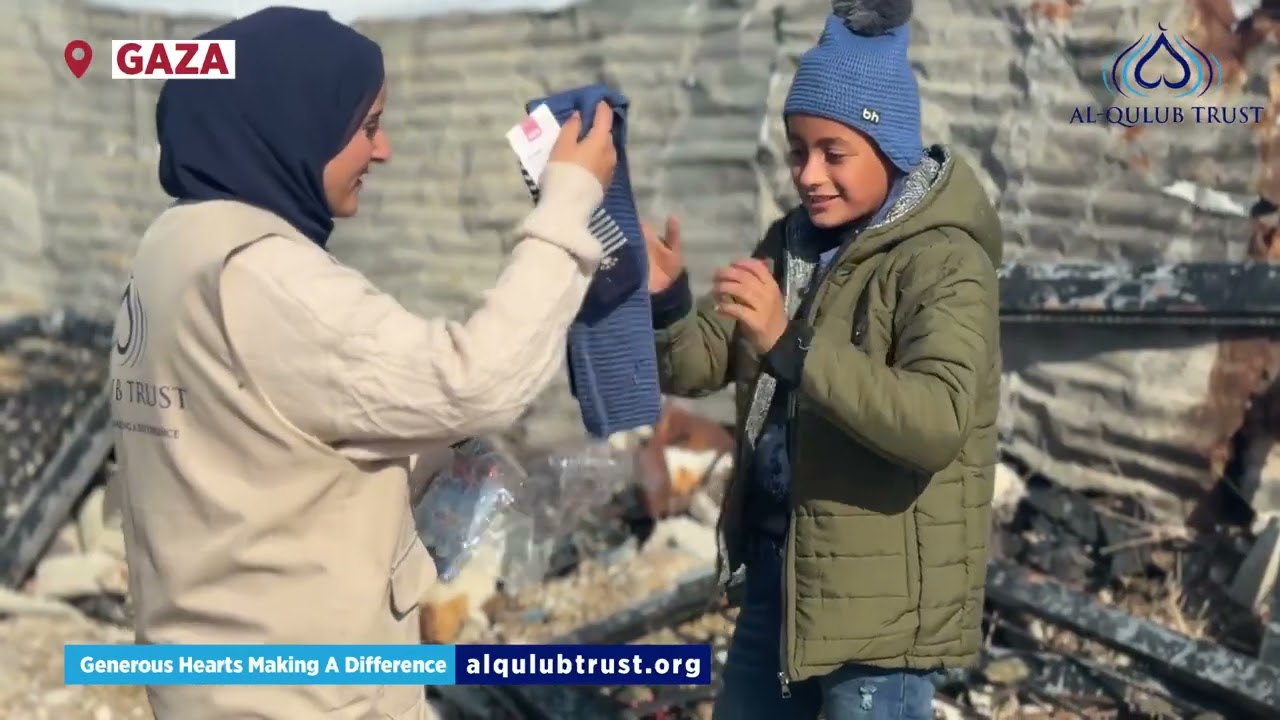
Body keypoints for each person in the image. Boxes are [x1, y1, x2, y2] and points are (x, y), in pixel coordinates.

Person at [107, 7, 615, 719]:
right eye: (367, 126)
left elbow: (262, 444)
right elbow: (476, 381)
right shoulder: (266, 278)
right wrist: (569, 204)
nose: (385, 152)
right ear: (295, 120)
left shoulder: (174, 249)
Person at [645, 1, 1002, 718]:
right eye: (797, 152)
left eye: (832, 153)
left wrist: (790, 343)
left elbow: (935, 420)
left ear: (891, 146)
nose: (808, 174)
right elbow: (698, 364)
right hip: (784, 573)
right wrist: (666, 302)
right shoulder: (794, 244)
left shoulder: (945, 262)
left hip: (880, 617)